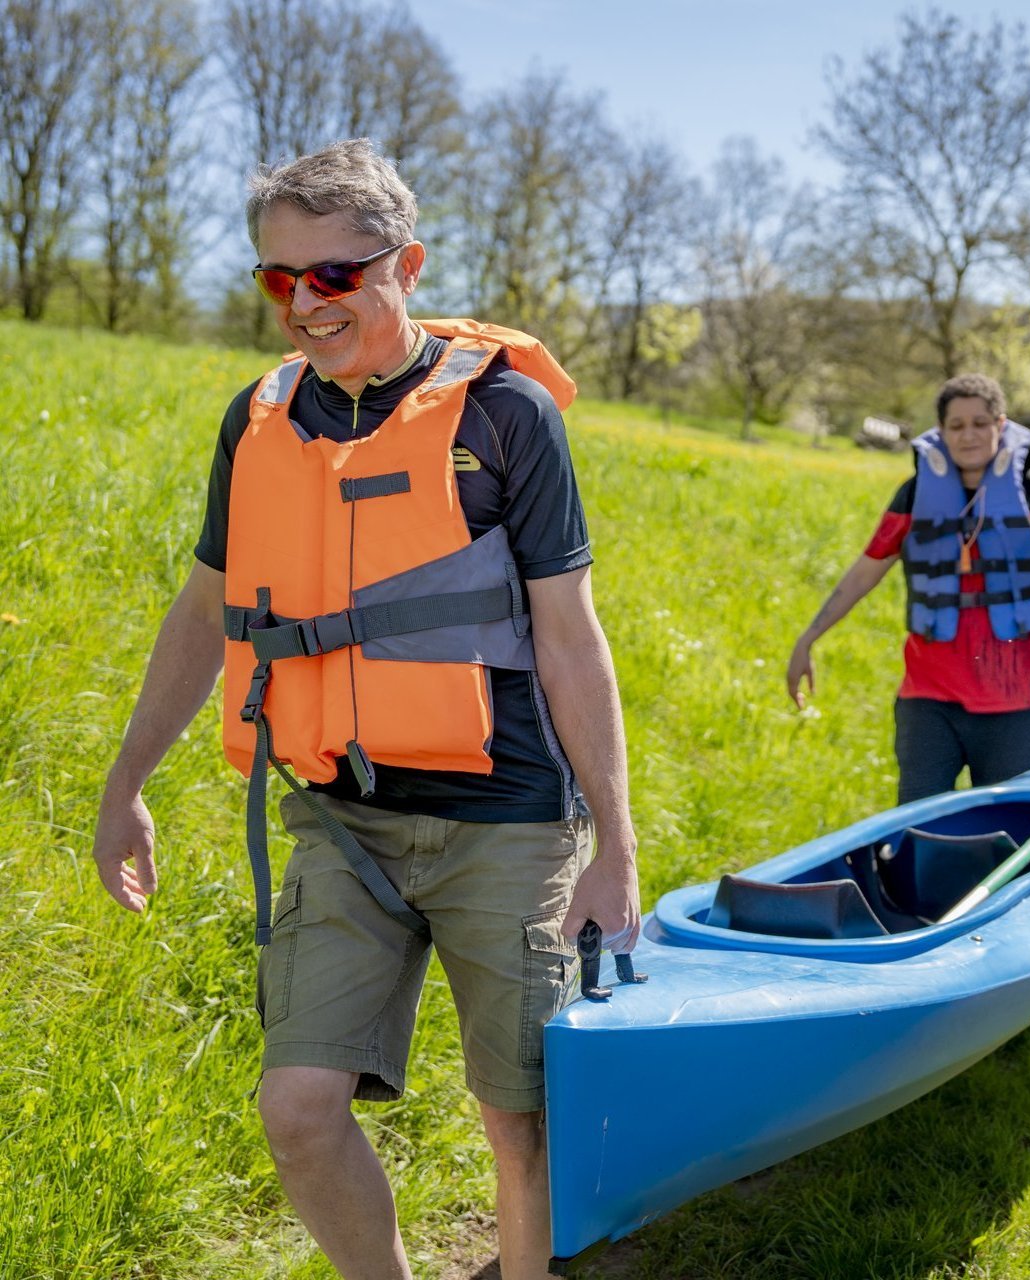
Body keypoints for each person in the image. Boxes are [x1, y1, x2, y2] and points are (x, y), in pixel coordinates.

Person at [89, 139, 640, 1279]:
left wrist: (614, 846)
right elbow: (203, 614)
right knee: (296, 1106)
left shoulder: (506, 420)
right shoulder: (256, 423)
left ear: (407, 263)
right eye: (277, 278)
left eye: (333, 273)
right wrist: (124, 780)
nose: (305, 302)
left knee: (518, 1122)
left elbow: (570, 636)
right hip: (343, 815)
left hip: (508, 816)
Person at [787, 373, 1030, 803]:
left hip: (1022, 700)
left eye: (980, 423)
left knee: (1006, 830)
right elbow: (863, 573)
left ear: (1000, 426)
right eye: (956, 425)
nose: (968, 435)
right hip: (929, 698)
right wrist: (808, 638)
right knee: (916, 822)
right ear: (941, 432)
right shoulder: (915, 496)